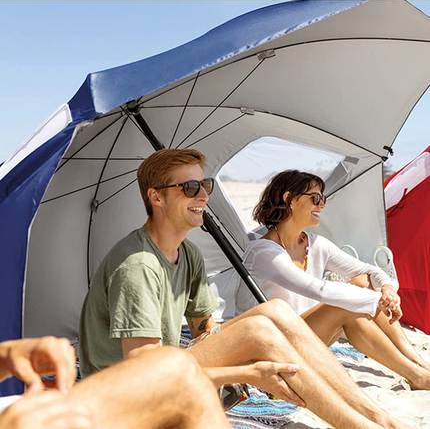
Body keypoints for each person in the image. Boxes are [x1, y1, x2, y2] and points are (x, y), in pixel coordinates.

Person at [79, 148, 413, 429]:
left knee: (275, 312)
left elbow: (203, 331)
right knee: (258, 328)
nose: (203, 196)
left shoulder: (188, 254)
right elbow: (142, 369)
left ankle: (377, 417)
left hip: (168, 369)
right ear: (156, 197)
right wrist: (247, 372)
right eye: (190, 187)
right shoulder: (137, 265)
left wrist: (239, 348)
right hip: (127, 399)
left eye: (205, 184)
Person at [236, 169, 430, 390]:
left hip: (303, 335)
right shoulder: (263, 253)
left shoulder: (314, 243)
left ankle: (418, 363)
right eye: (315, 198)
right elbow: (318, 290)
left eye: (323, 199)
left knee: (363, 282)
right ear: (288, 199)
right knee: (345, 305)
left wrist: (387, 290)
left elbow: (368, 270)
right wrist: (375, 301)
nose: (322, 205)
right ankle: (416, 376)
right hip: (268, 346)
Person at [0, 336, 231, 429]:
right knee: (178, 373)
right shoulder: (136, 266)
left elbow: (204, 323)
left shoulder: (188, 258)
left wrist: (8, 354)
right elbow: (140, 355)